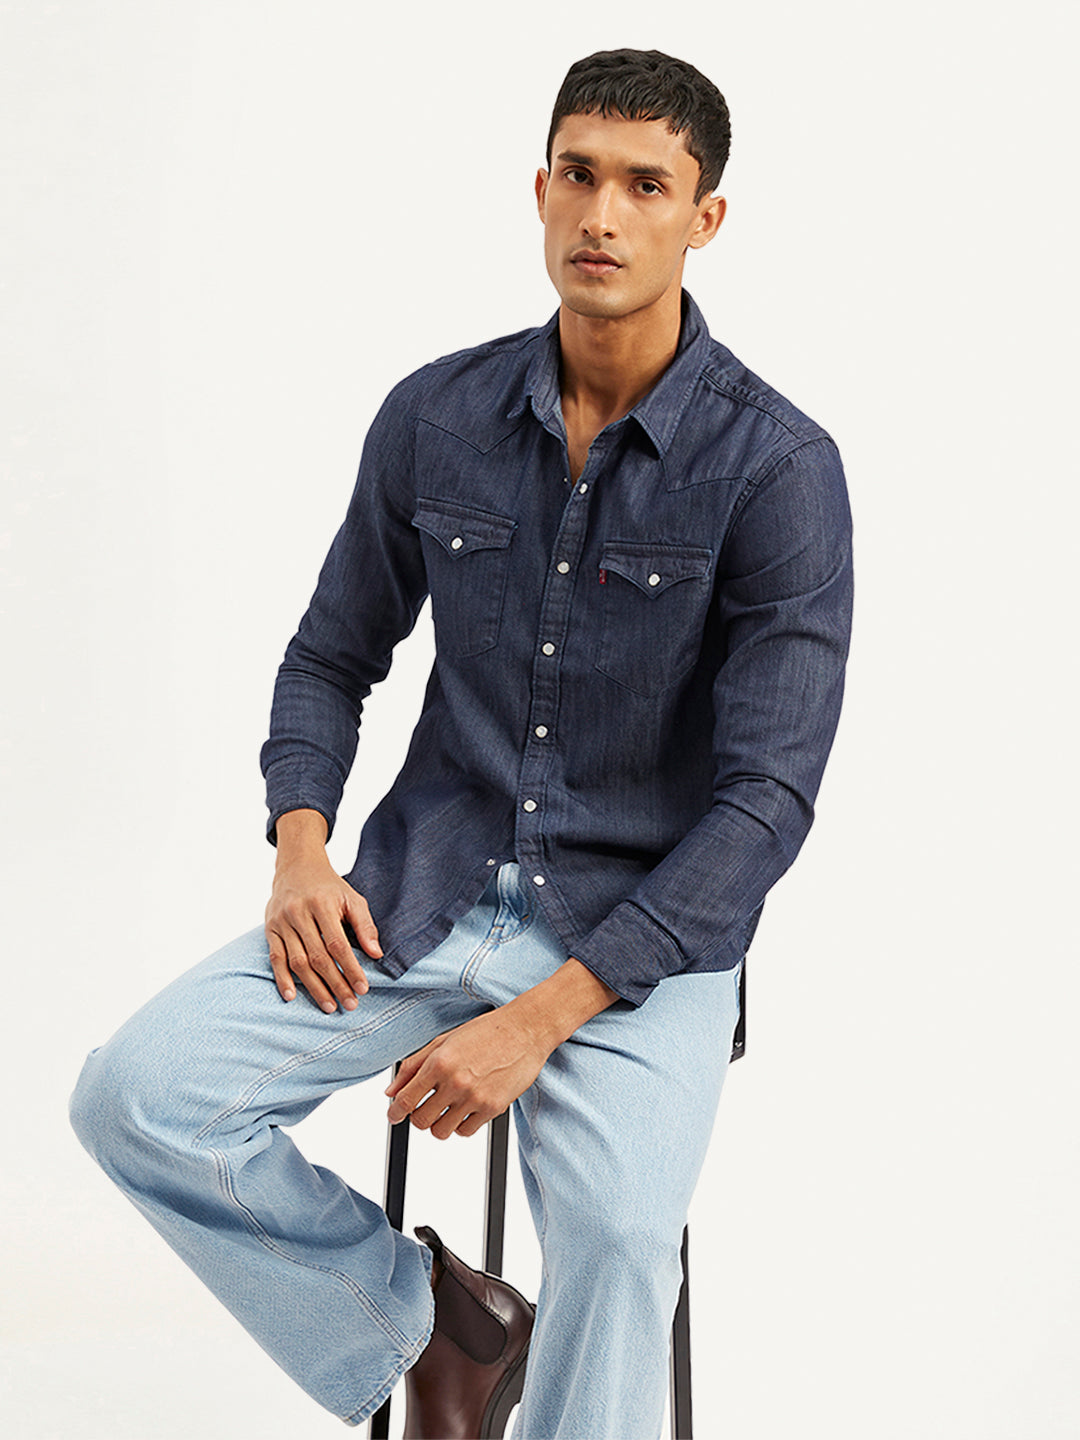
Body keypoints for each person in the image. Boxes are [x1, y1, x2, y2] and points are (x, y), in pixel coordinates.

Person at [71, 47, 853, 1440]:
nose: (602, 216)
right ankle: (427, 1321)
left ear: (706, 217)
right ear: (538, 188)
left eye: (646, 186)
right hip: (421, 894)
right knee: (137, 1097)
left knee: (619, 1240)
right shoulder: (437, 416)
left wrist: (539, 1021)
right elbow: (330, 656)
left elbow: (764, 808)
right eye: (579, 175)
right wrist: (300, 850)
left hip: (639, 944)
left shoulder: (778, 469)